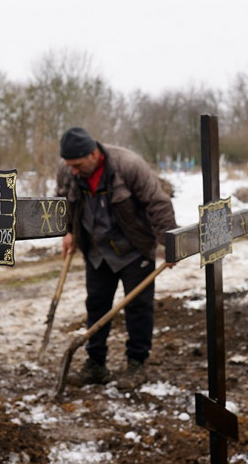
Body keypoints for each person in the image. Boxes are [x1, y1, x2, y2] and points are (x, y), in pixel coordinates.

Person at [56, 127, 178, 391]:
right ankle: (95, 365)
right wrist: (67, 230)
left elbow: (158, 203)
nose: (73, 171)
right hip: (97, 251)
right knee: (96, 305)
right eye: (69, 165)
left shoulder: (128, 165)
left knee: (138, 307)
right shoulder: (68, 170)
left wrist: (170, 242)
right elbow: (62, 202)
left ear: (93, 154)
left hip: (134, 249)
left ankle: (136, 364)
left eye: (77, 165)